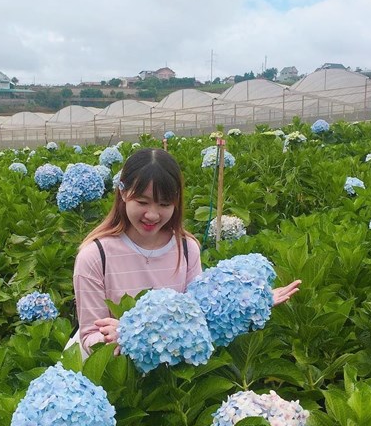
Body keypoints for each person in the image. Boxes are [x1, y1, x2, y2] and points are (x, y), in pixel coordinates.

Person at [72, 147, 300, 356]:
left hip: (174, 374)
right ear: (122, 192)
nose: (152, 215)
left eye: (164, 205)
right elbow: (90, 337)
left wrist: (249, 302)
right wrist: (131, 336)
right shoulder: (94, 256)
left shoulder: (187, 249)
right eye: (142, 202)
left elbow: (198, 316)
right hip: (118, 380)